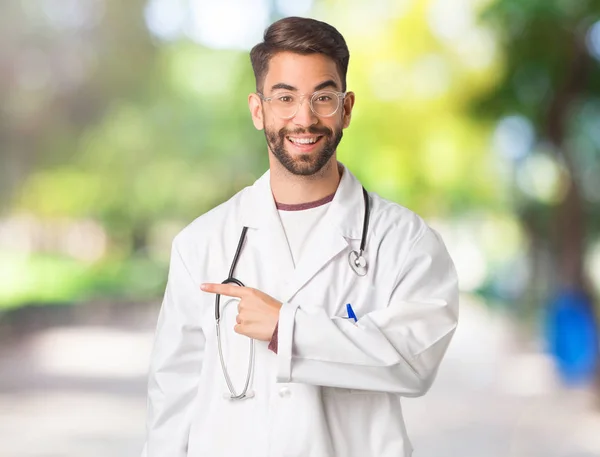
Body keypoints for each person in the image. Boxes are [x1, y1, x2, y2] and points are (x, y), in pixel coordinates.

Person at [142, 16, 459, 457]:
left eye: (322, 98)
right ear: (259, 110)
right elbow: (172, 399)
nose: (304, 118)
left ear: (346, 108)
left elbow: (413, 361)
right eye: (285, 98)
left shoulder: (406, 242)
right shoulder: (202, 243)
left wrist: (285, 329)